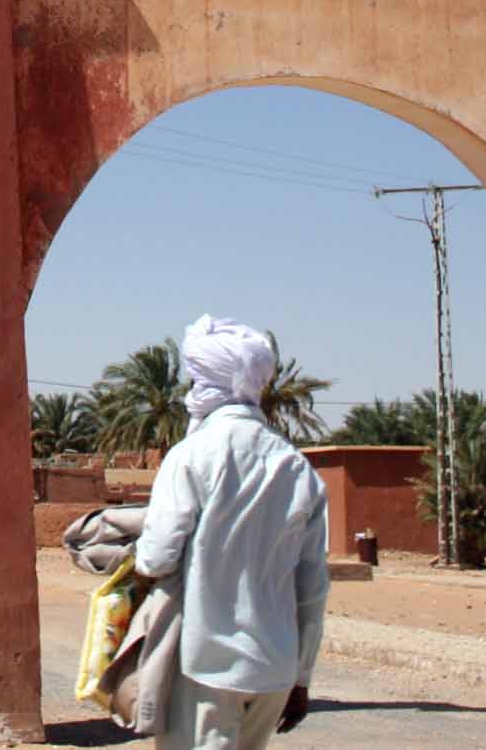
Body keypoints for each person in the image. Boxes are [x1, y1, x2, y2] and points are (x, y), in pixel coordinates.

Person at [133, 315, 331, 750]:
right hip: (274, 667)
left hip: (204, 665)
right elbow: (313, 586)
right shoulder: (297, 467)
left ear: (204, 385)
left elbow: (156, 557)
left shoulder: (189, 457)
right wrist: (301, 677)